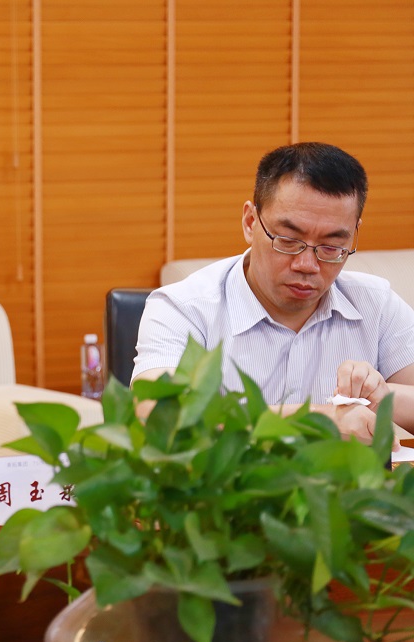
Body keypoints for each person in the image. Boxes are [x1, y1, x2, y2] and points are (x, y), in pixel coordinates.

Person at [132, 142, 414, 443]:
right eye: (288, 241)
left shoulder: (375, 303)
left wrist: (383, 397)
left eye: (331, 247)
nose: (307, 265)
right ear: (250, 222)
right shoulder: (183, 307)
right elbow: (157, 414)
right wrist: (317, 420)